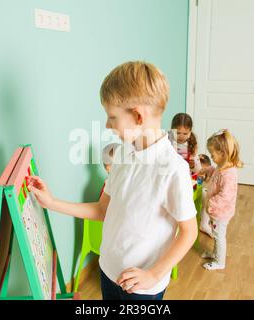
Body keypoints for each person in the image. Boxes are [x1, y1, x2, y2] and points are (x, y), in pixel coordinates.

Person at [27, 61, 197, 300]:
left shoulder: (173, 169)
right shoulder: (123, 154)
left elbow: (189, 232)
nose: (107, 125)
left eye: (112, 117)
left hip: (142, 288)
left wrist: (153, 274)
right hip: (108, 271)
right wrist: (51, 202)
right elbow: (102, 209)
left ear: (138, 116)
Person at [200, 129, 243, 271]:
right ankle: (215, 254)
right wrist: (208, 170)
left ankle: (220, 262)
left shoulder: (229, 174)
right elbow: (216, 175)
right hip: (216, 212)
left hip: (220, 213)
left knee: (219, 237)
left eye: (213, 155)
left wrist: (209, 203)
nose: (211, 157)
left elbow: (225, 196)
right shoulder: (222, 167)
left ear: (223, 154)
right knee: (216, 234)